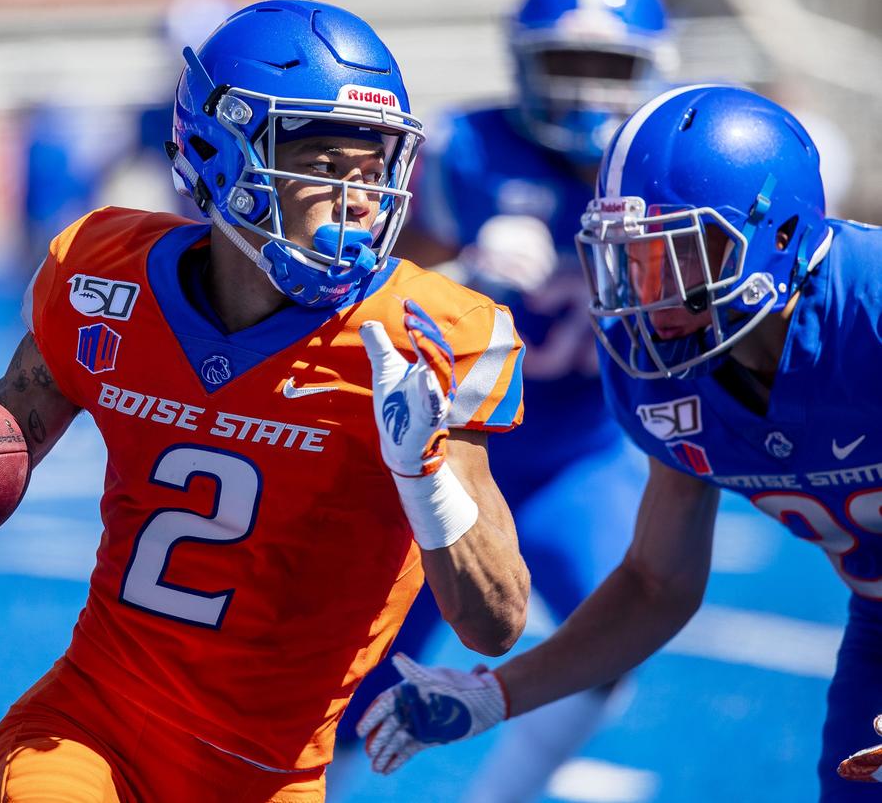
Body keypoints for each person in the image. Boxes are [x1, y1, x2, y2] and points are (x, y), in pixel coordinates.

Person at [0, 0, 532, 802]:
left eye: (374, 169)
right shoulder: (103, 276)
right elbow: (0, 434)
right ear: (222, 156)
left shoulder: (429, 335)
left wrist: (425, 471)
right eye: (325, 165)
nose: (359, 199)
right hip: (92, 726)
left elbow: (494, 620)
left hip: (272, 776)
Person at [356, 84, 882, 802]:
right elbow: (656, 583)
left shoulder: (869, 307)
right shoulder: (665, 366)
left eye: (679, 256)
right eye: (632, 258)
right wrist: (497, 693)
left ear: (775, 237)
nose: (645, 291)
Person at [338, 0, 672, 798]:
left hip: (576, 454)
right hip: (446, 446)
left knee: (611, 642)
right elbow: (364, 282)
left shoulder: (665, 160)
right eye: (566, 60)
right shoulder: (464, 149)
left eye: (612, 66)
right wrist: (462, 269)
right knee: (352, 668)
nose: (589, 87)